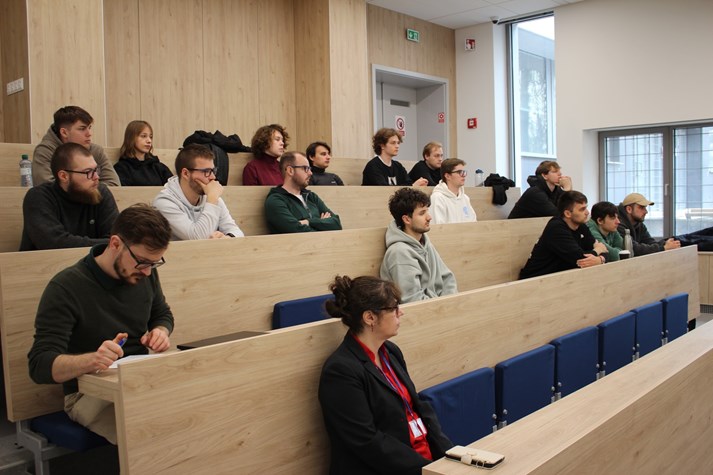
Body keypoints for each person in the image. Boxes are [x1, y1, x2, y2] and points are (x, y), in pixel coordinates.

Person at [28, 204, 174, 444]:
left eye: (154, 263)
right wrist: (93, 360)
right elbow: (39, 365)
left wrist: (160, 331)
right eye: (143, 262)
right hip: (87, 393)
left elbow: (162, 314)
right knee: (154, 433)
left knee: (201, 409)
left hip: (138, 378)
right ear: (115, 244)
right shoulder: (66, 287)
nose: (148, 272)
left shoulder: (144, 272)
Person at [318, 275, 453, 475]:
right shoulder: (341, 371)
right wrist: (427, 470)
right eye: (393, 308)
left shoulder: (390, 351)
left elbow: (419, 407)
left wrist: (450, 456)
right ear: (370, 318)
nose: (401, 312)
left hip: (422, 461)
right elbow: (367, 441)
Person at [20, 143, 119, 251]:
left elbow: (117, 239)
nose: (96, 177)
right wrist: (106, 244)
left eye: (96, 170)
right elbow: (54, 243)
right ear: (64, 176)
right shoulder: (38, 197)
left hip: (93, 260)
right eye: (88, 172)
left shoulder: (100, 192)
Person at [380, 188, 457, 303]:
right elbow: (412, 300)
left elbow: (447, 279)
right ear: (407, 219)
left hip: (440, 306)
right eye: (422, 213)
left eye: (427, 211)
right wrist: (444, 306)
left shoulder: (425, 243)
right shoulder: (399, 252)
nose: (429, 217)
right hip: (421, 311)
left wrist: (451, 303)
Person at [153, 144, 244, 240]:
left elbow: (236, 231)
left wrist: (227, 238)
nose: (213, 177)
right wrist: (212, 199)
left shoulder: (211, 196)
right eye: (206, 171)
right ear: (186, 173)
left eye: (213, 170)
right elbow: (198, 238)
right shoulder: (164, 203)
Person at [519, 190, 608, 279]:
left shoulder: (581, 225)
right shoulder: (556, 228)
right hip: (535, 279)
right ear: (567, 213)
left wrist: (600, 259)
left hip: (559, 277)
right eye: (582, 209)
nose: (587, 212)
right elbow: (579, 259)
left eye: (586, 208)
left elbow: (604, 250)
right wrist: (597, 251)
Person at [33, 105, 120, 186]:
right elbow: (46, 187)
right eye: (82, 129)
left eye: (89, 128)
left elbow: (114, 184)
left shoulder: (96, 151)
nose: (89, 133)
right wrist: (90, 189)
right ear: (64, 132)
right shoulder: (45, 151)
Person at [264, 151, 342, 233]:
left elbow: (336, 223)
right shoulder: (276, 201)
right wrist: (322, 223)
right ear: (290, 170)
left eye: (310, 169)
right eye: (305, 168)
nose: (310, 173)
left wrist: (308, 222)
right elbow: (296, 230)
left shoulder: (311, 196)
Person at [113, 120, 173, 186]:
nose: (149, 141)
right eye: (143, 136)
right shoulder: (121, 168)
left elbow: (174, 188)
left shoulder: (159, 167)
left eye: (151, 137)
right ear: (131, 138)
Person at [362, 128, 428, 186]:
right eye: (393, 143)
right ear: (382, 146)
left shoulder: (398, 166)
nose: (397, 146)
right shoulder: (373, 166)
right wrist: (413, 185)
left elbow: (408, 182)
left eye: (398, 143)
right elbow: (382, 189)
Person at [508, 160, 572, 219]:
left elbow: (570, 210)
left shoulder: (556, 190)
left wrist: (568, 191)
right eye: (554, 172)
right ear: (544, 176)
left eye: (559, 172)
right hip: (516, 226)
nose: (560, 174)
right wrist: (567, 189)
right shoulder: (534, 193)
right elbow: (556, 214)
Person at [429, 158, 477, 224]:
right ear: (447, 176)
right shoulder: (438, 198)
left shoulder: (465, 198)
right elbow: (438, 226)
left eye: (464, 172)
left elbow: (473, 222)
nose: (463, 175)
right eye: (459, 172)